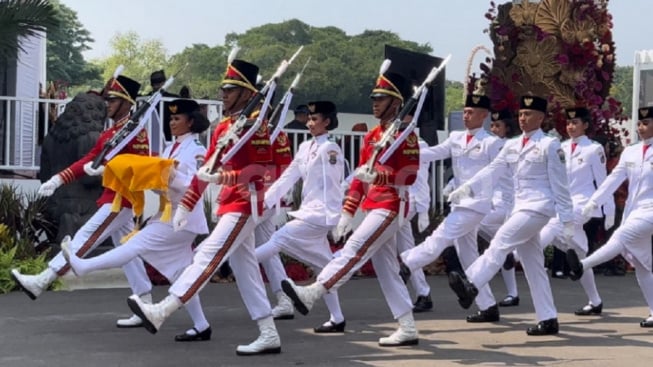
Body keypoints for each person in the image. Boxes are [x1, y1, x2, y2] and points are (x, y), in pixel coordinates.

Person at [126, 58, 282, 355]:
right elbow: (205, 171)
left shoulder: (255, 127)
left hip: (245, 204)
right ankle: (268, 332)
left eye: (231, 89)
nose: (223, 93)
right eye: (223, 88)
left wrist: (226, 176)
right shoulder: (225, 126)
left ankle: (163, 309)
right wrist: (186, 205)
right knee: (246, 270)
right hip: (229, 204)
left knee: (206, 256)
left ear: (248, 94)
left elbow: (266, 172)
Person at [281, 70, 421, 347]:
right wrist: (347, 212)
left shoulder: (406, 134)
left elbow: (411, 174)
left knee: (354, 248)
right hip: (374, 205)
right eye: (374, 98)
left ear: (396, 102)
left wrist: (381, 177)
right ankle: (407, 326)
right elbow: (358, 178)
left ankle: (314, 291)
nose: (375, 103)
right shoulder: (372, 137)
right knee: (386, 269)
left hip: (392, 203)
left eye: (381, 98)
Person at [62, 99, 214, 342]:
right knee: (179, 273)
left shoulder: (196, 149)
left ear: (191, 122)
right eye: (171, 118)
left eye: (177, 118)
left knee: (134, 245)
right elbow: (156, 179)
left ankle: (84, 266)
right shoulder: (170, 147)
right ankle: (201, 325)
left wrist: (169, 176)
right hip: (168, 213)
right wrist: (115, 170)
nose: (172, 123)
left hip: (182, 217)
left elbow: (193, 186)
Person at [11, 75, 154, 328]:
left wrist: (109, 169)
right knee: (128, 253)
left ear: (126, 103)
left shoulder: (135, 132)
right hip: (112, 197)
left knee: (82, 239)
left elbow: (143, 166)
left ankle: (42, 280)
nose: (107, 104)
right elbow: (89, 158)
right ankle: (147, 304)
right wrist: (59, 178)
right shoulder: (110, 133)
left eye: (113, 99)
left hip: (122, 199)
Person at [446, 95, 574, 335]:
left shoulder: (550, 145)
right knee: (533, 265)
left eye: (528, 114)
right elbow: (492, 170)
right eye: (521, 114)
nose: (523, 118)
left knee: (501, 241)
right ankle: (548, 318)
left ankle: (471, 283)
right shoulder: (512, 145)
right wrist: (467, 188)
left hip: (539, 207)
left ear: (541, 118)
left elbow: (561, 185)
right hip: (519, 207)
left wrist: (567, 221)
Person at [399, 92, 503, 323]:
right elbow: (435, 153)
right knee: (468, 256)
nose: (466, 116)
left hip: (476, 204)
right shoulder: (456, 137)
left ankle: (408, 263)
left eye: (471, 112)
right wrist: (406, 153)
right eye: (464, 111)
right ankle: (488, 306)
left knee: (440, 237)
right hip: (459, 203)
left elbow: (496, 173)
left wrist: (476, 191)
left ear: (483, 115)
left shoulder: (492, 143)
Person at [256, 100, 347, 332]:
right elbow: (288, 176)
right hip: (309, 210)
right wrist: (265, 200)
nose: (310, 123)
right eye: (309, 118)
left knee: (278, 239)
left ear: (327, 122)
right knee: (324, 267)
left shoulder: (331, 148)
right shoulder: (305, 147)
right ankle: (337, 318)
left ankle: (234, 264)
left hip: (320, 214)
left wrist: (336, 217)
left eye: (315, 119)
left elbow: (333, 186)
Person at [566, 105, 653, 328]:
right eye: (640, 124)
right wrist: (594, 202)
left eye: (646, 123)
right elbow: (613, 179)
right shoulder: (631, 151)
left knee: (621, 236)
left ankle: (582, 265)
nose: (641, 128)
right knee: (643, 265)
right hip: (635, 211)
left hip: (651, 211)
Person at [537, 106, 613, 316]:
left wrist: (609, 208)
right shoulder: (560, 147)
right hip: (563, 202)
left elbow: (604, 181)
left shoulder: (593, 149)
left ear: (586, 125)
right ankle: (595, 301)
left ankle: (514, 256)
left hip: (583, 204)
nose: (570, 126)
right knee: (580, 254)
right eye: (569, 123)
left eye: (575, 123)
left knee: (552, 224)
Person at [477, 108, 521, 308]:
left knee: (476, 222)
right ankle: (512, 293)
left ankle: (479, 278)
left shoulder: (509, 147)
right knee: (501, 247)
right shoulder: (492, 146)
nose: (494, 129)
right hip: (493, 201)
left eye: (498, 126)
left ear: (507, 128)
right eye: (492, 125)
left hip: (506, 203)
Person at [397, 137, 433, 313]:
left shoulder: (417, 143)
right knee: (408, 250)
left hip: (407, 201)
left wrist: (423, 208)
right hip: (394, 199)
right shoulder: (389, 138)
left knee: (372, 238)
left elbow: (420, 178)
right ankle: (423, 293)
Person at [150, 70, 180, 142]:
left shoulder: (144, 99)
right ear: (164, 83)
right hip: (169, 138)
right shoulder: (173, 99)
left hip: (152, 137)